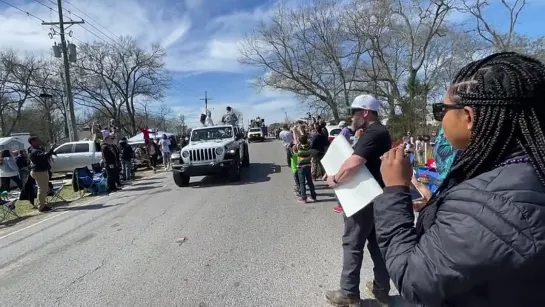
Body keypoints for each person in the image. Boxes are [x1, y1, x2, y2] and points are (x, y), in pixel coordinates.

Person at [374, 52, 545, 306]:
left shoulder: (490, 206)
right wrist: (443, 206)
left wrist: (396, 190)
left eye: (441, 110)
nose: (440, 118)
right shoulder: (525, 168)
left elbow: (414, 280)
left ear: (468, 117)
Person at [325, 94, 392, 306]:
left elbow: (355, 162)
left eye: (354, 112)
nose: (352, 117)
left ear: (365, 112)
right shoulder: (375, 132)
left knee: (352, 243)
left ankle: (348, 293)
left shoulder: (375, 132)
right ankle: (382, 290)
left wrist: (335, 178)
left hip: (363, 198)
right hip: (377, 195)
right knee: (376, 244)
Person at [28, 136, 56, 212]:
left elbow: (44, 156)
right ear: (33, 142)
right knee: (42, 189)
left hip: (41, 171)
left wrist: (51, 152)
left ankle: (41, 204)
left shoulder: (36, 149)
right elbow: (42, 157)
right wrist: (50, 151)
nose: (40, 141)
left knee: (44, 189)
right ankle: (41, 207)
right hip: (39, 172)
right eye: (38, 140)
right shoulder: (34, 151)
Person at [294, 134, 316, 203]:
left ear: (299, 140)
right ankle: (313, 195)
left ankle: (303, 197)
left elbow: (296, 154)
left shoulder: (298, 146)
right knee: (310, 181)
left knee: (302, 182)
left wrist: (294, 152)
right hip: (308, 165)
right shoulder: (309, 146)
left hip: (301, 166)